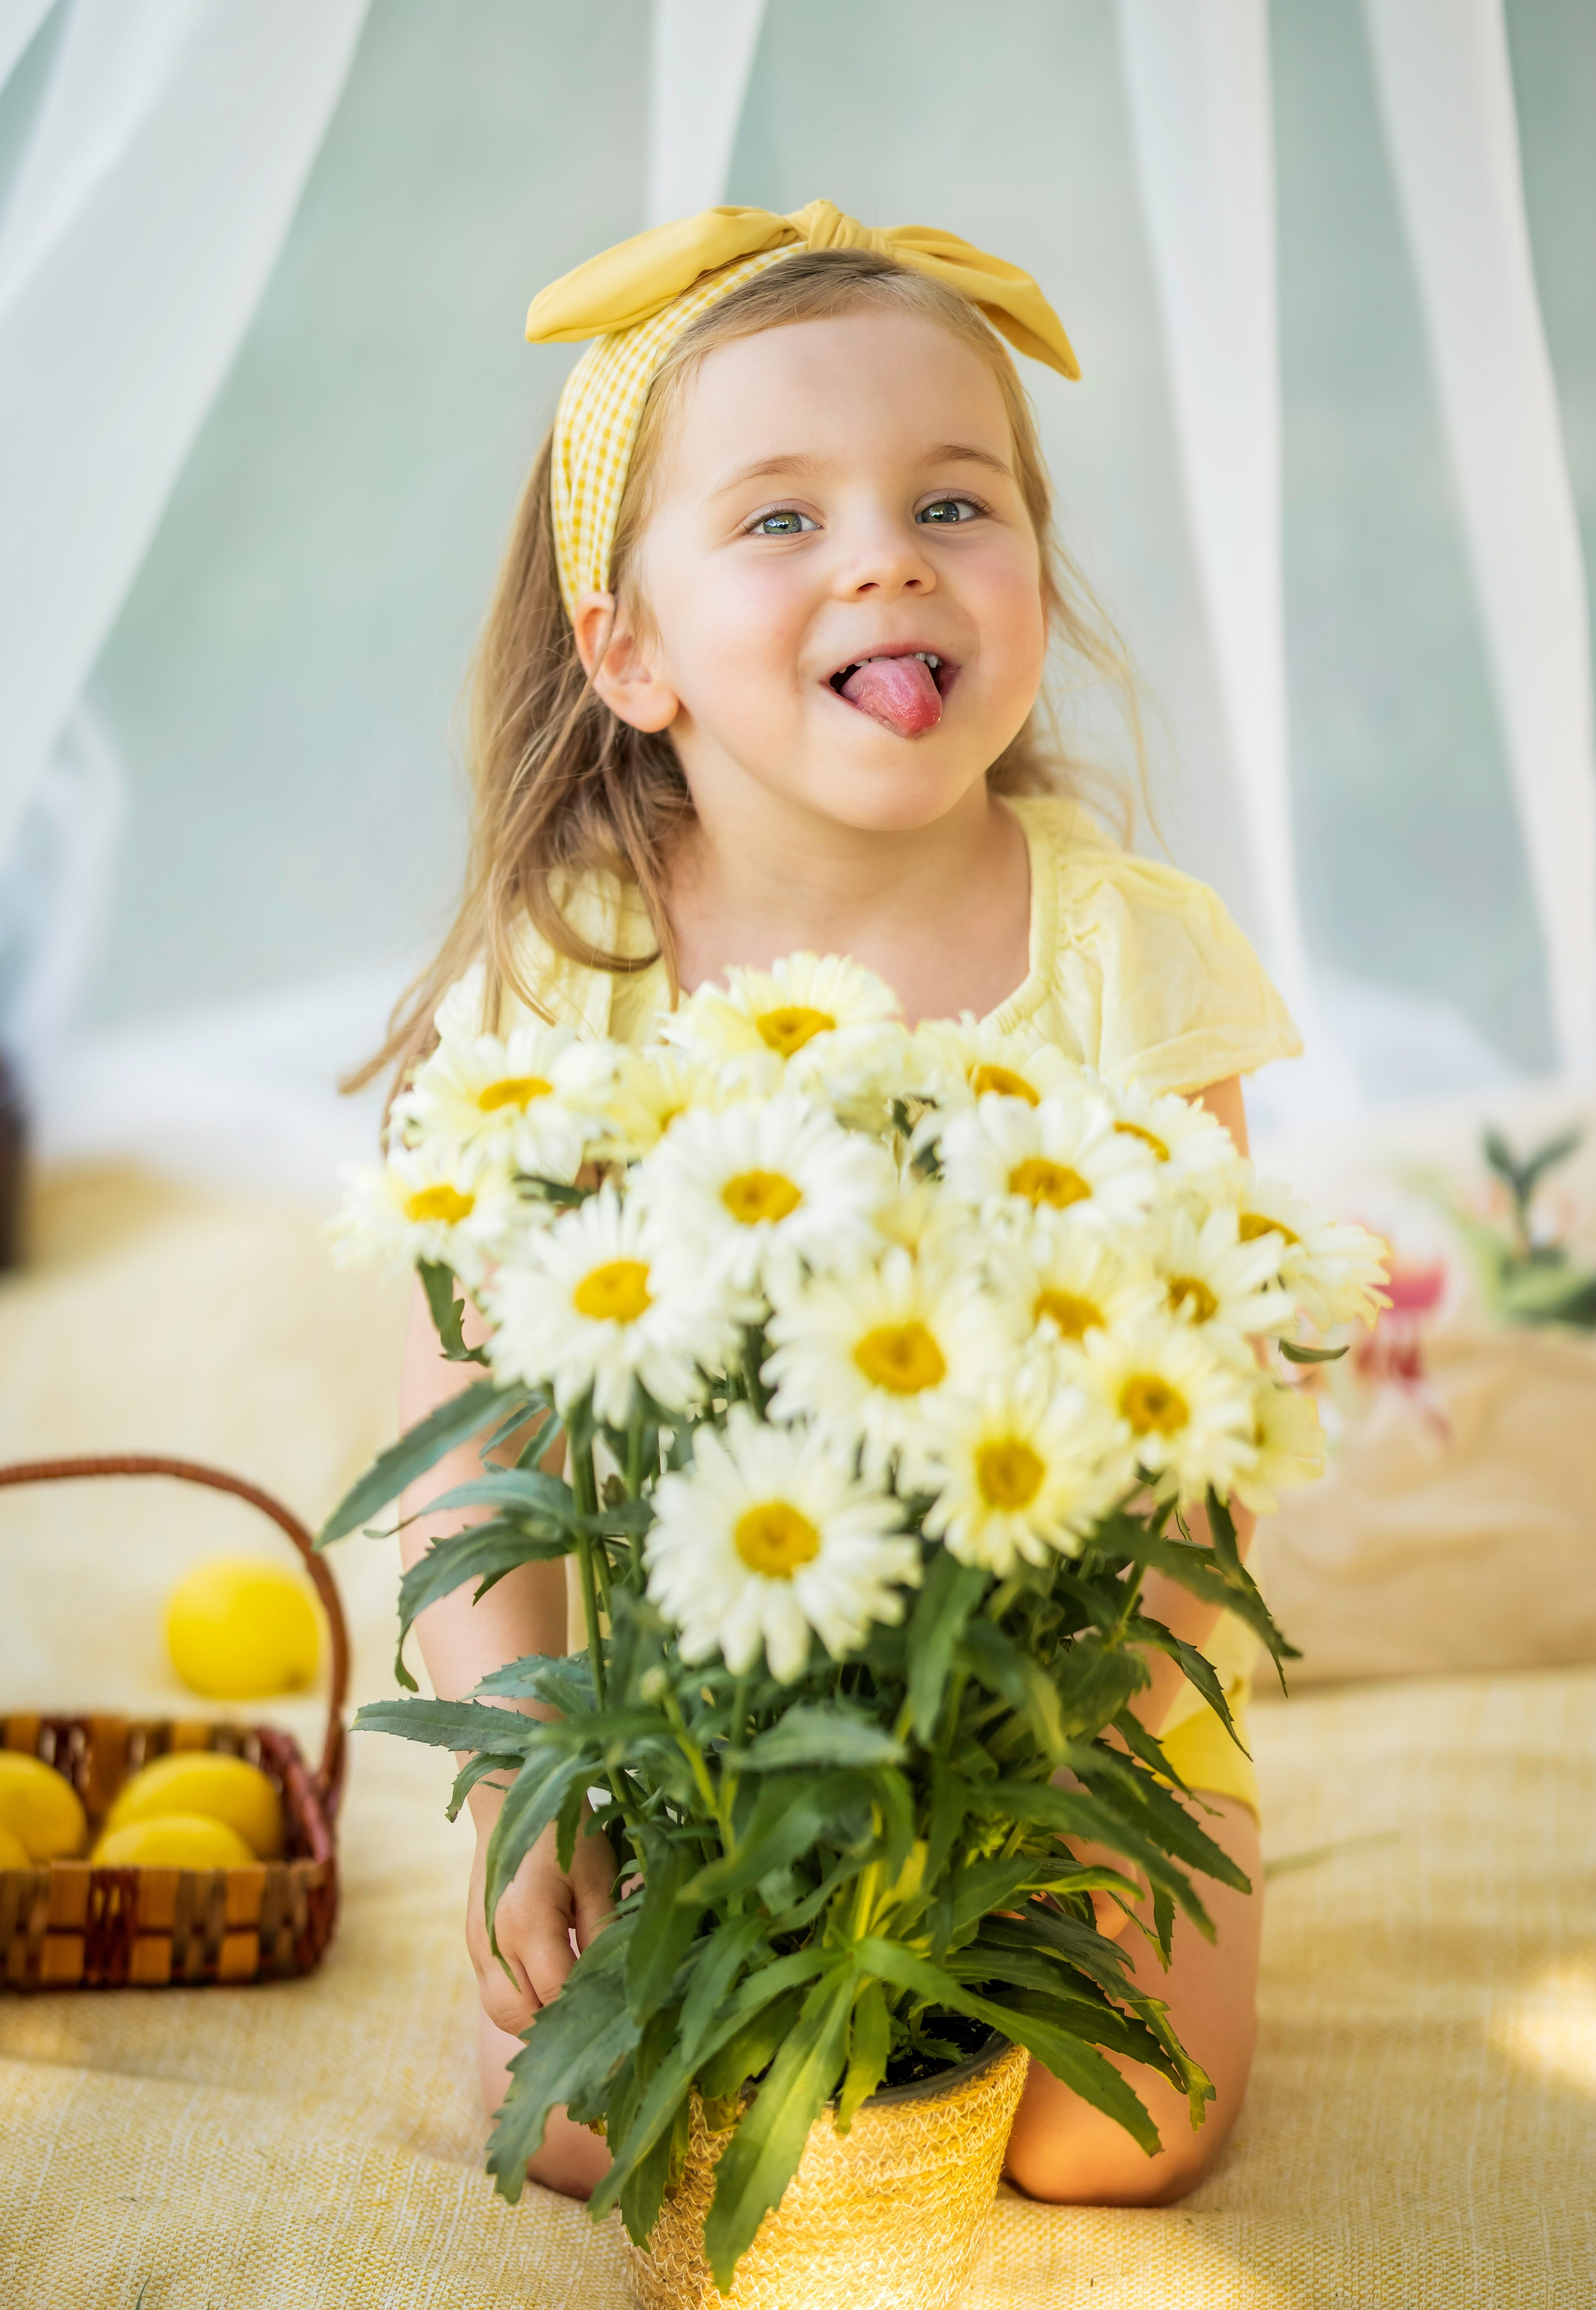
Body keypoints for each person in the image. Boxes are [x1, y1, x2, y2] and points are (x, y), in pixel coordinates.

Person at [361, 200, 1301, 2210]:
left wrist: (1082, 1767)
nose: (886, 551)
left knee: (1104, 2138)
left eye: (954, 500)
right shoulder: (576, 980)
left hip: (1065, 1730)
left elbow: (1201, 1438)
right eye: (780, 520)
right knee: (612, 2134)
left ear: (1032, 581)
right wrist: (530, 1785)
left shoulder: (1133, 963)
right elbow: (492, 1432)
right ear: (628, 648)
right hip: (690, 1738)